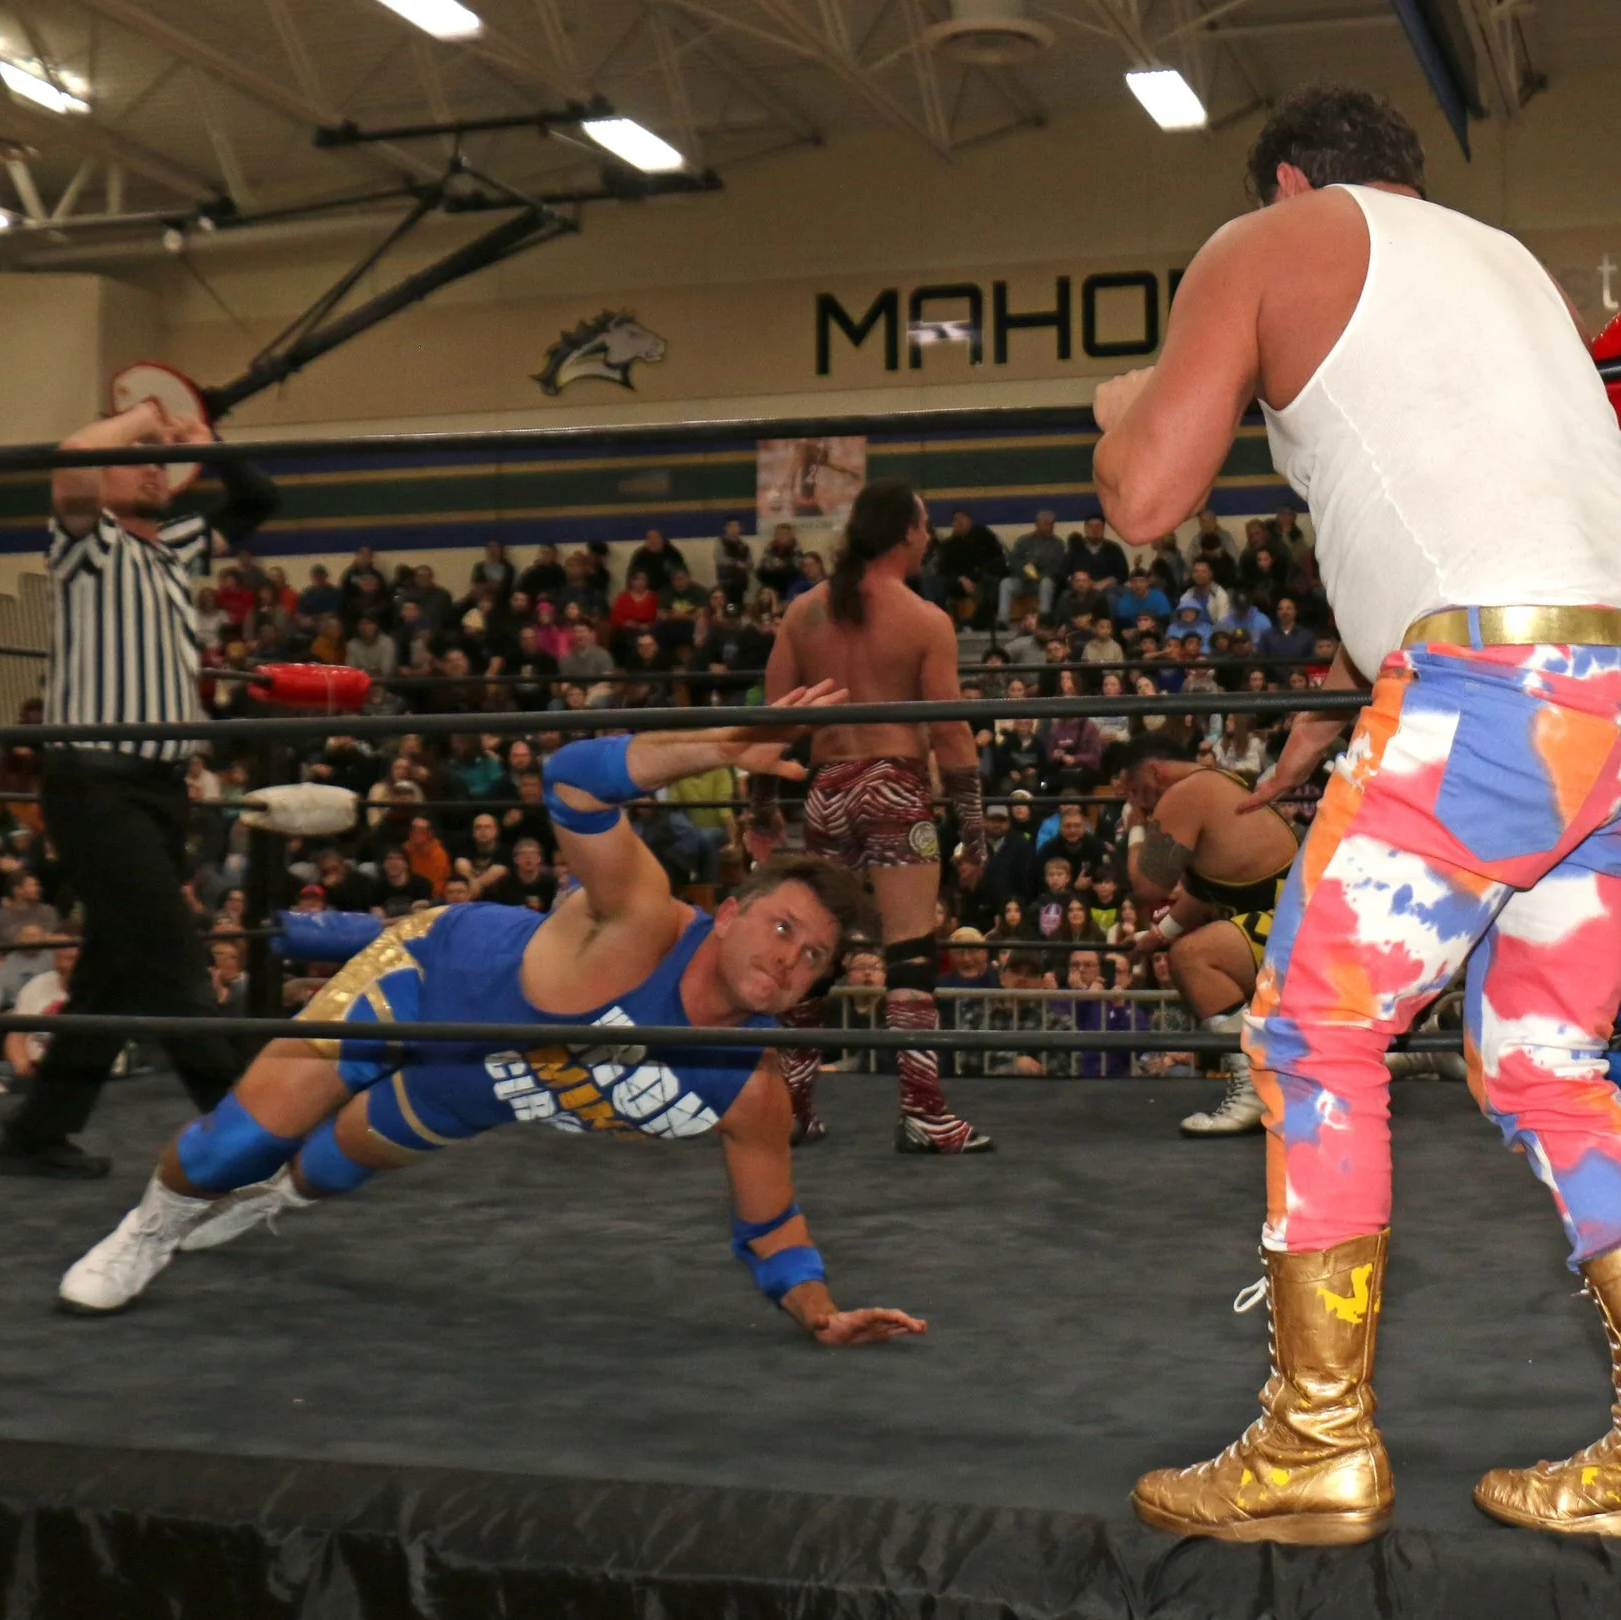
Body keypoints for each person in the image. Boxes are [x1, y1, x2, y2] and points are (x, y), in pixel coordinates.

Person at [1090, 85, 1621, 1546]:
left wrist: (1119, 414)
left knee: (1311, 1037)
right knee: (1546, 1065)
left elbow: (1142, 501)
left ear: (1285, 181)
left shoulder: (1268, 242)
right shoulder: (1506, 261)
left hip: (1502, 692)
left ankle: (1313, 1444)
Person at [60, 698, 921, 1357]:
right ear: (729, 913)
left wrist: (823, 1314)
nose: (789, 959)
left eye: (814, 956)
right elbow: (572, 780)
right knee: (236, 1144)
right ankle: (151, 1227)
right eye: (781, 927)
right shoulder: (642, 921)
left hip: (484, 1084)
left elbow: (772, 1228)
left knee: (322, 1172)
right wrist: (719, 746)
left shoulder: (750, 1088)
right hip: (427, 983)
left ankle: (269, 1200)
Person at [0, 395, 277, 1180]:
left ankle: (34, 1134)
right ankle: (249, 1138)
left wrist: (203, 441)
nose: (154, 467)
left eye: (161, 461)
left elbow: (259, 500)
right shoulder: (87, 547)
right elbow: (71, 463)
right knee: (174, 961)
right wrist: (144, 416)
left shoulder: (178, 546)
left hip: (159, 791)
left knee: (111, 976)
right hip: (96, 786)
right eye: (137, 459)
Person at [760, 478, 991, 1154]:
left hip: (827, 788)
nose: (929, 537)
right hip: (892, 786)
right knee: (910, 951)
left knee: (816, 948)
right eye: (924, 526)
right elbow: (950, 731)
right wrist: (974, 826)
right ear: (904, 534)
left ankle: (791, 1109)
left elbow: (772, 722)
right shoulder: (923, 619)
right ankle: (924, 1114)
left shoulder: (804, 613)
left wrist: (761, 807)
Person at [1110, 732, 1300, 1136]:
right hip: (1292, 920)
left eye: (1135, 790)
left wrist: (1137, 828)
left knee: (1192, 958)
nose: (1136, 802)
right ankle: (1273, 1077)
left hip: (1294, 924)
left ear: (1155, 772)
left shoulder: (1184, 794)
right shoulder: (1215, 782)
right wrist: (1158, 934)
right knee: (1187, 950)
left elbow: (1147, 886)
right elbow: (1202, 891)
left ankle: (1255, 1088)